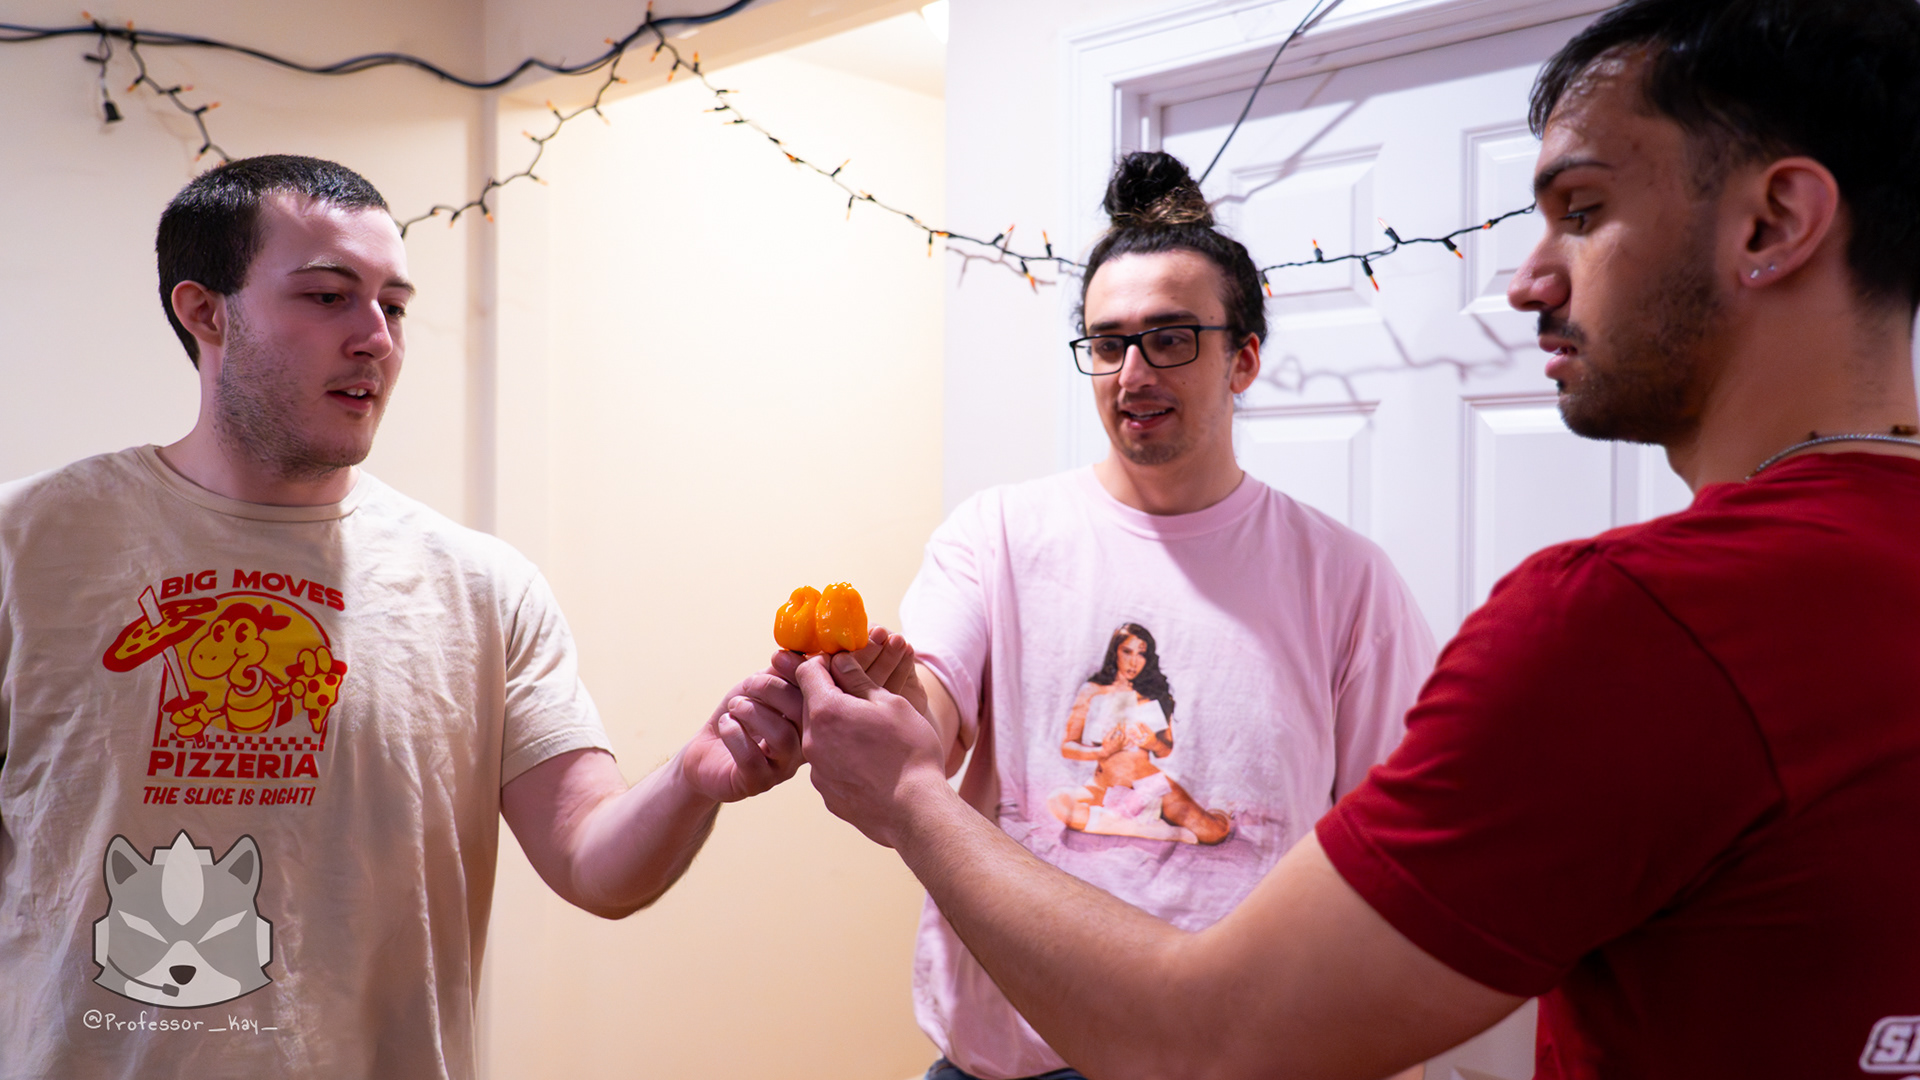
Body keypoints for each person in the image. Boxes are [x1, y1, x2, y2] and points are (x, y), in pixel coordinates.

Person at [788, 0, 1920, 1077]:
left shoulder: (1614, 622)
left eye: (1580, 211)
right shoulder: (998, 531)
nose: (1526, 280)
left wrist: (909, 797)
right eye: (1107, 343)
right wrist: (892, 722)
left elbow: (1211, 1038)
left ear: (1773, 223)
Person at [0, 155, 803, 1079]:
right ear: (206, 311)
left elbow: (595, 865)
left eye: (394, 305)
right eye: (328, 296)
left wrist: (695, 779)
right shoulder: (27, 549)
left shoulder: (483, 589)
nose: (375, 337)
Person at [793, 150, 1437, 1080]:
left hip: (1239, 1062)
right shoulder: (996, 534)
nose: (1132, 372)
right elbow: (928, 718)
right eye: (1107, 343)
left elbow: (1397, 859)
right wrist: (879, 706)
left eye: (1170, 338)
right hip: (1010, 1065)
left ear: (1244, 358)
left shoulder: (1346, 580)